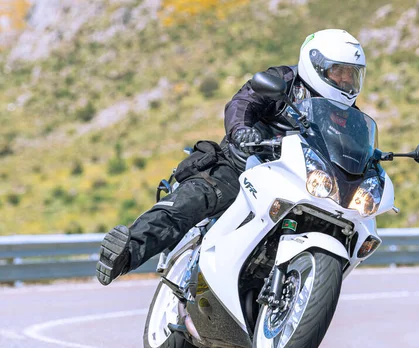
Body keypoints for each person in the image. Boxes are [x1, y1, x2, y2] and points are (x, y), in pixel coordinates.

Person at [96, 28, 367, 285]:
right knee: (194, 199)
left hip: (299, 182)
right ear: (316, 64)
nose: (345, 81)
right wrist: (241, 131)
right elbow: (244, 101)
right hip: (246, 165)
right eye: (339, 71)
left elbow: (351, 149)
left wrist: (372, 161)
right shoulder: (283, 81)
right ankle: (126, 252)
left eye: (352, 74)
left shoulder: (347, 114)